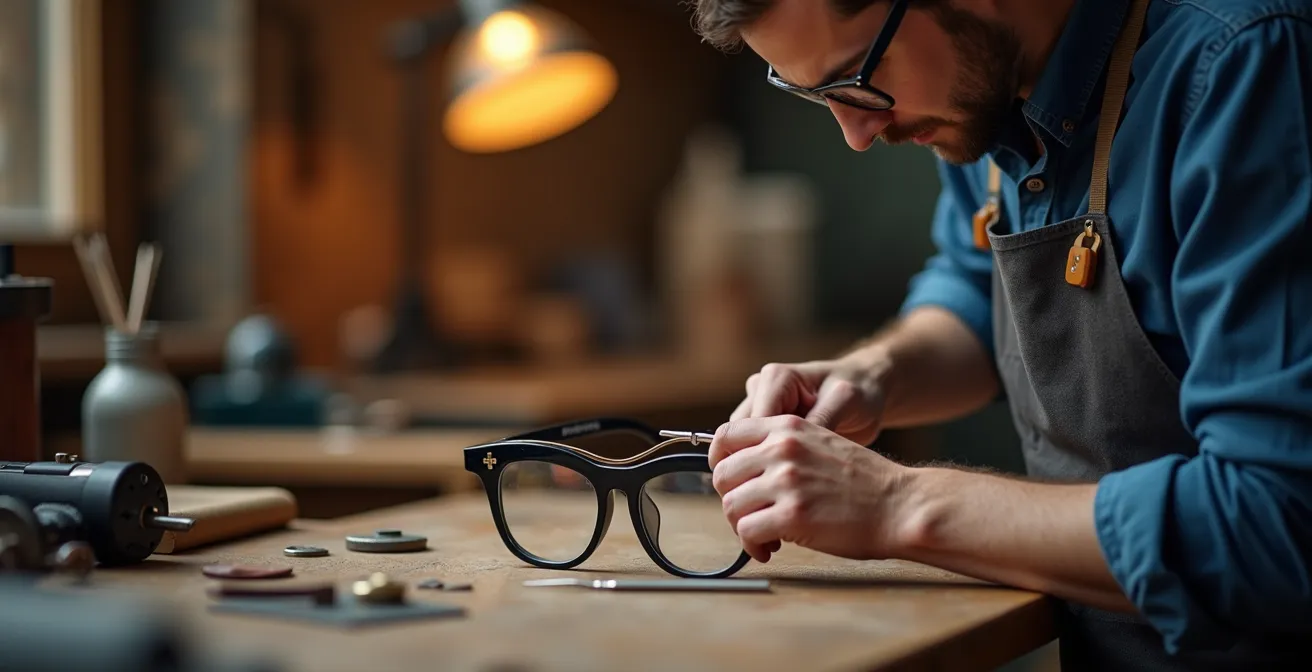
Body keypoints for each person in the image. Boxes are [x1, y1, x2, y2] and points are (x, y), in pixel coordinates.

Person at [686, 0, 1312, 669]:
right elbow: (975, 290)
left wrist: (898, 504)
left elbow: (1273, 525)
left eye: (853, 76)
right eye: (813, 93)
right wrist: (871, 377)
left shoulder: (1241, 61)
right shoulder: (979, 88)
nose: (857, 132)